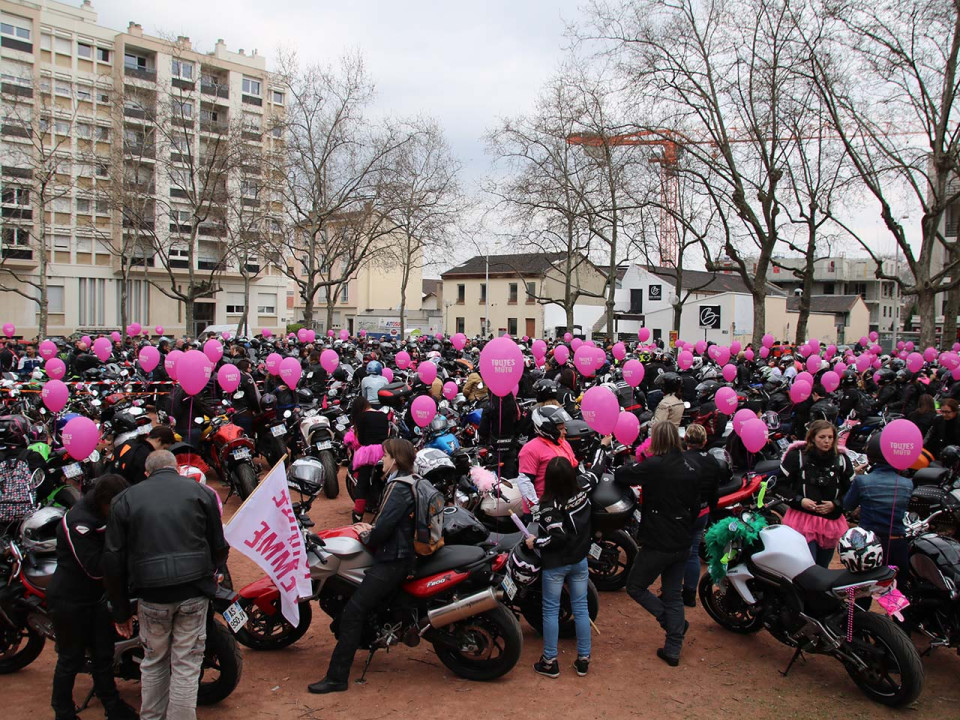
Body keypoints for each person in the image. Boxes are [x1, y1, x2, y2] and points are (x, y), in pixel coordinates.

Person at [104, 450, 229, 720]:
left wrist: (121, 611)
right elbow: (219, 545)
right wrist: (212, 572)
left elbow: (113, 560)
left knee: (154, 663)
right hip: (194, 591)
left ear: (147, 473)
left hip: (151, 596)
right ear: (176, 468)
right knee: (186, 665)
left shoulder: (124, 500)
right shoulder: (201, 493)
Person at [309, 438, 417, 694]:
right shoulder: (413, 481)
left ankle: (336, 678)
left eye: (387, 456)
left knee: (353, 611)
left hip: (394, 559)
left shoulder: (398, 487)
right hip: (404, 554)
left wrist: (368, 533)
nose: (383, 461)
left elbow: (383, 530)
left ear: (396, 460)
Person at [47, 474, 139, 720]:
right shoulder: (77, 522)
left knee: (104, 655)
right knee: (70, 658)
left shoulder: (106, 515)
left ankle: (112, 705)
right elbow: (96, 568)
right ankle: (63, 711)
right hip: (70, 600)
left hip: (97, 599)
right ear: (104, 501)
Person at [615, 422, 700, 666]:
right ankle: (673, 646)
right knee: (673, 594)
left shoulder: (654, 465)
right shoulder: (690, 466)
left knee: (635, 586)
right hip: (682, 538)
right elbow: (696, 506)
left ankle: (671, 623)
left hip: (658, 540)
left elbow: (623, 474)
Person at [527, 457, 592, 678]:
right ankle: (583, 659)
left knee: (551, 611)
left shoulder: (548, 506)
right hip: (580, 560)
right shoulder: (582, 490)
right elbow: (598, 470)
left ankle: (550, 661)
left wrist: (534, 542)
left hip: (556, 565)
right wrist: (603, 445)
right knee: (581, 608)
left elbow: (558, 538)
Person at [779, 420, 854, 567]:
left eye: (830, 437)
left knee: (822, 567)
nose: (826, 441)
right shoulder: (797, 456)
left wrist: (835, 504)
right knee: (807, 566)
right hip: (802, 520)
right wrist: (800, 501)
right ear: (812, 437)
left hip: (831, 523)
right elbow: (780, 486)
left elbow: (852, 491)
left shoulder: (842, 459)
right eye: (822, 437)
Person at [843, 433, 912, 574]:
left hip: (867, 545)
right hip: (897, 544)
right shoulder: (907, 484)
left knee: (863, 588)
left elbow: (847, 505)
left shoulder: (861, 481)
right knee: (897, 589)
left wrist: (855, 477)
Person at [680, 424, 724, 608]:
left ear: (685, 441)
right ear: (705, 441)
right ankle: (689, 594)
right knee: (691, 553)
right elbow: (715, 490)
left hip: (683, 514)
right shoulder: (712, 461)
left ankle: (673, 592)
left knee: (676, 553)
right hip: (702, 513)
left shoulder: (681, 459)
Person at [517, 405, 577, 508]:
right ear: (548, 429)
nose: (565, 432)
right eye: (561, 429)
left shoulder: (563, 443)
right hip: (544, 507)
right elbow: (525, 481)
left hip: (563, 503)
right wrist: (536, 508)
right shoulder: (530, 449)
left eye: (564, 428)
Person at [349, 395, 390, 522]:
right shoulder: (383, 415)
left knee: (362, 483)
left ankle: (358, 515)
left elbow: (360, 439)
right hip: (385, 452)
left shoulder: (361, 417)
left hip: (368, 452)